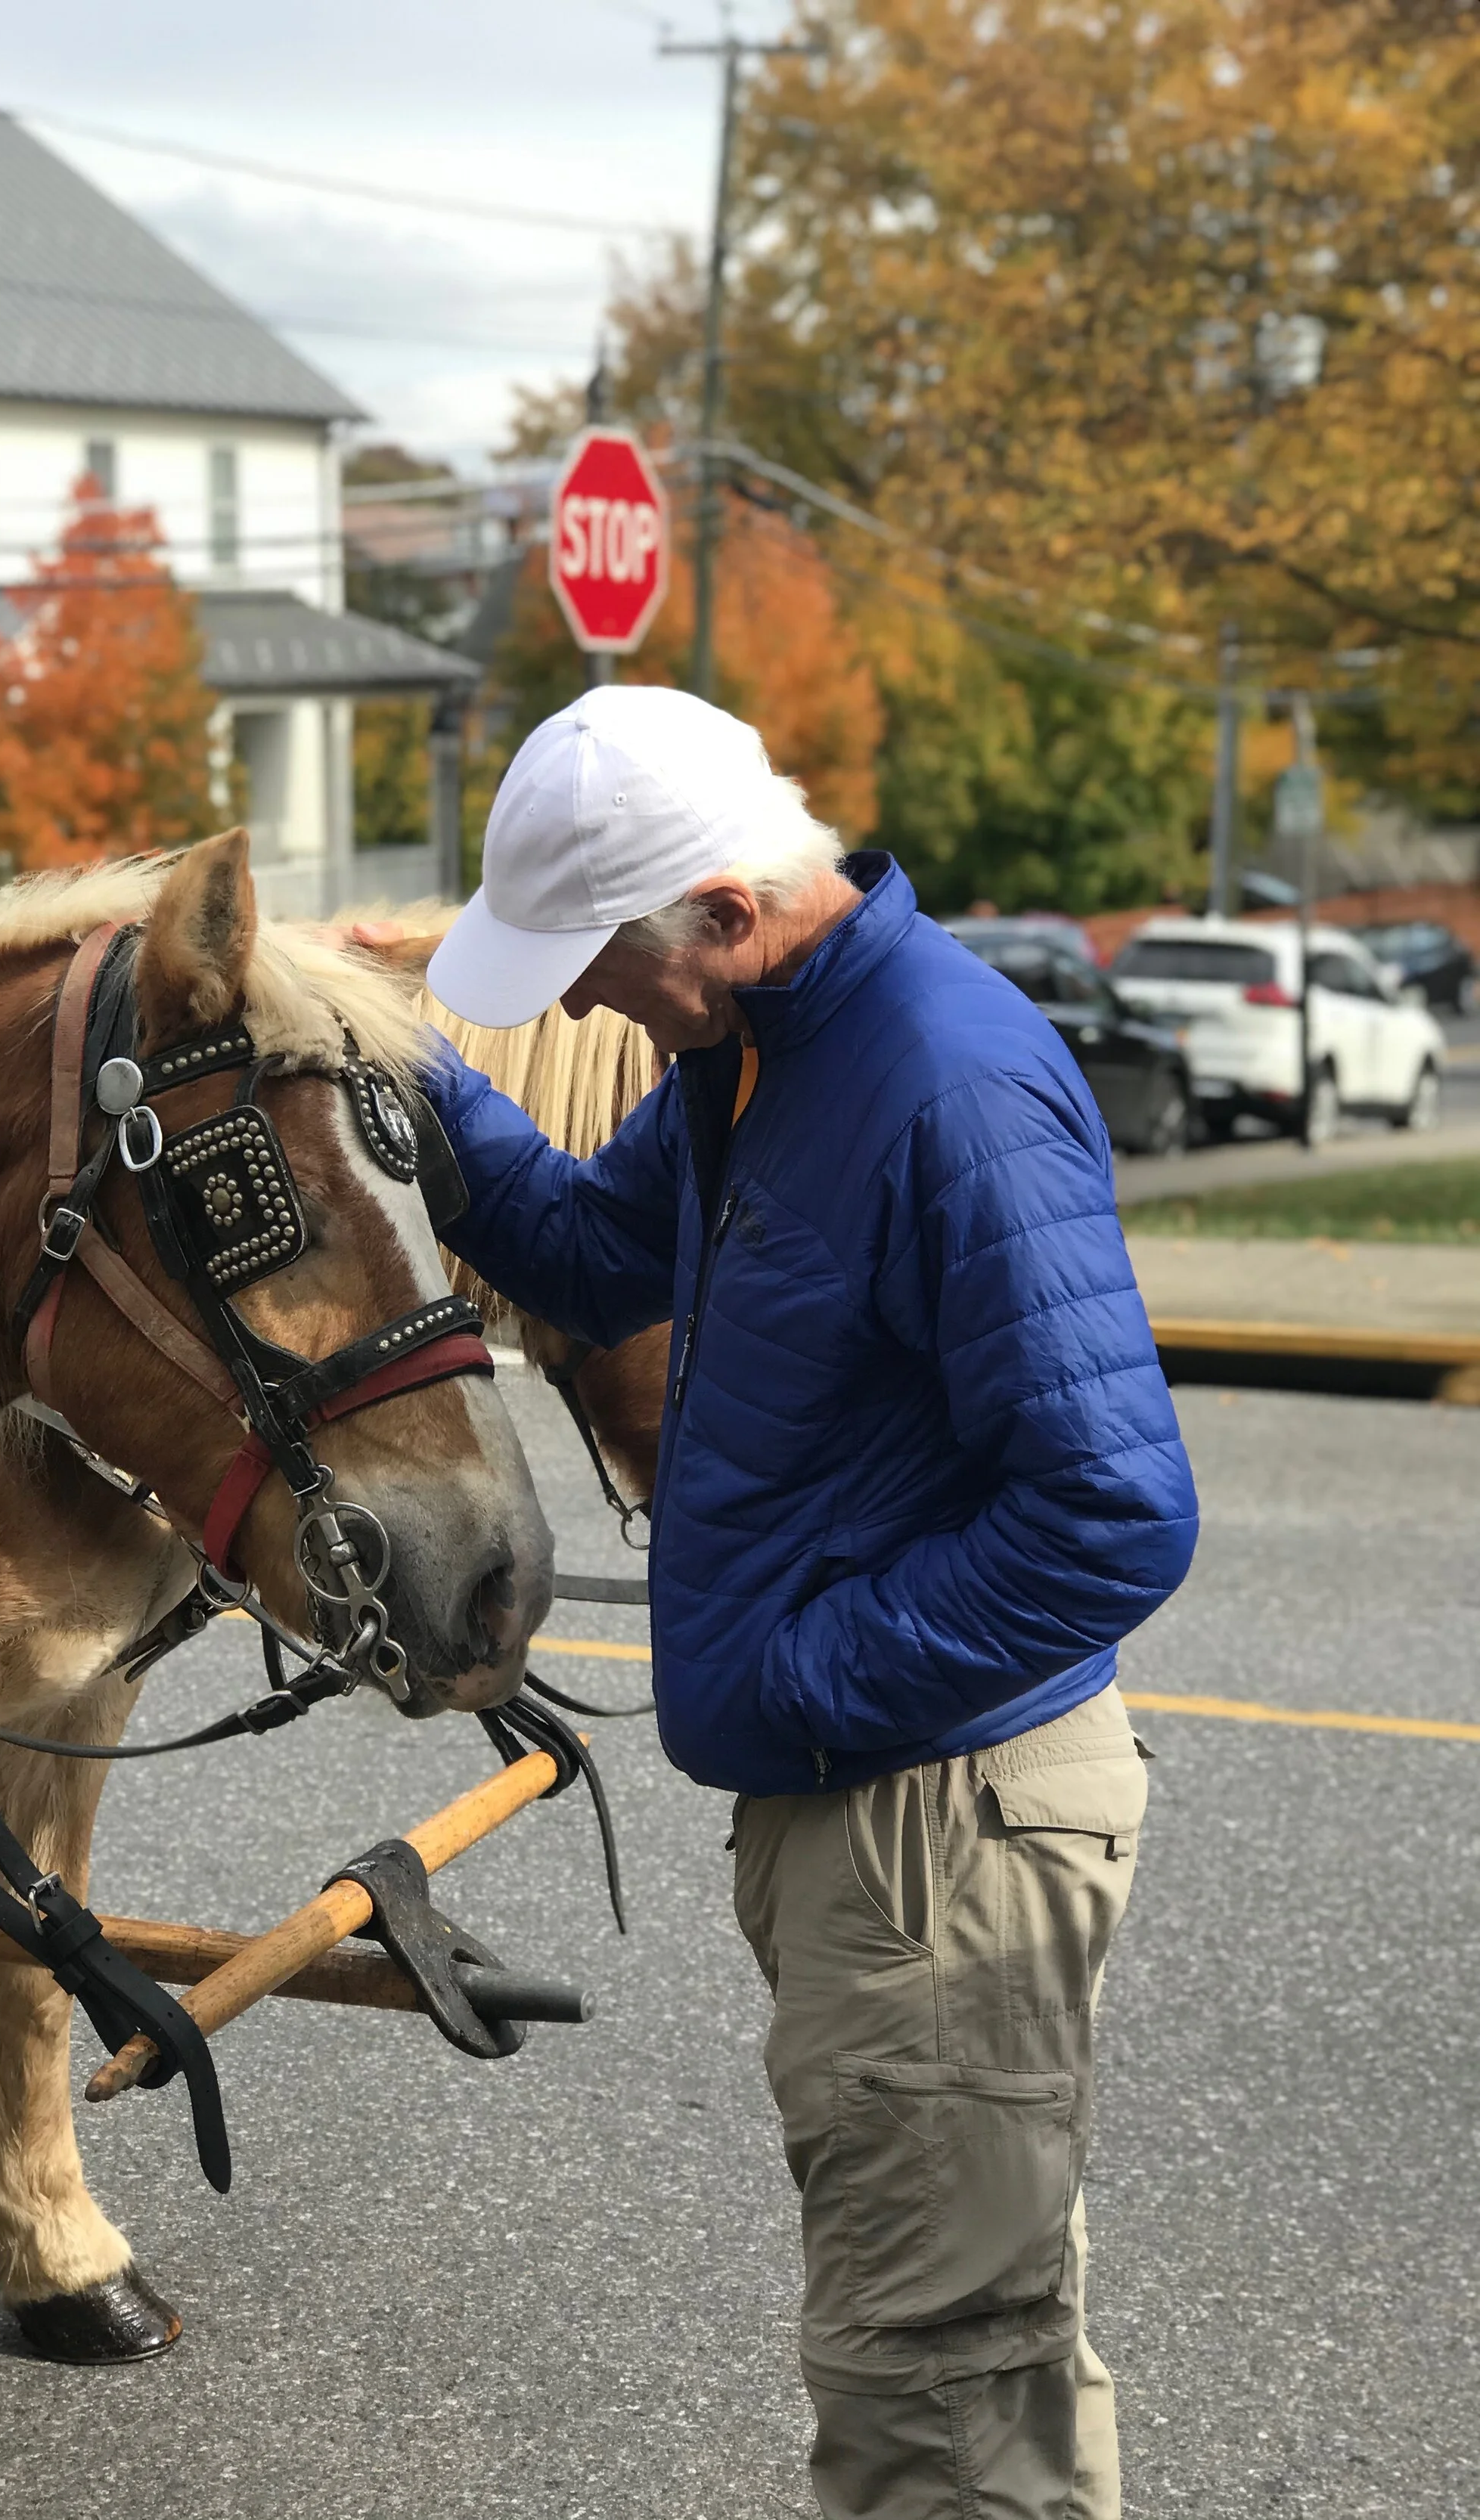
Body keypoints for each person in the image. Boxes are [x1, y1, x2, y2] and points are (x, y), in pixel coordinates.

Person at [411, 684, 1198, 2520]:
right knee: (974, 2340)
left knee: (921, 2380)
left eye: (598, 964)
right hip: (879, 1807)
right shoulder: (752, 1061)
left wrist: (798, 1670)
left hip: (932, 1819)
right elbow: (592, 1253)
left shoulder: (935, 1080)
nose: (587, 1010)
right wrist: (405, 1073)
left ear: (726, 910)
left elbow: (1111, 1511)